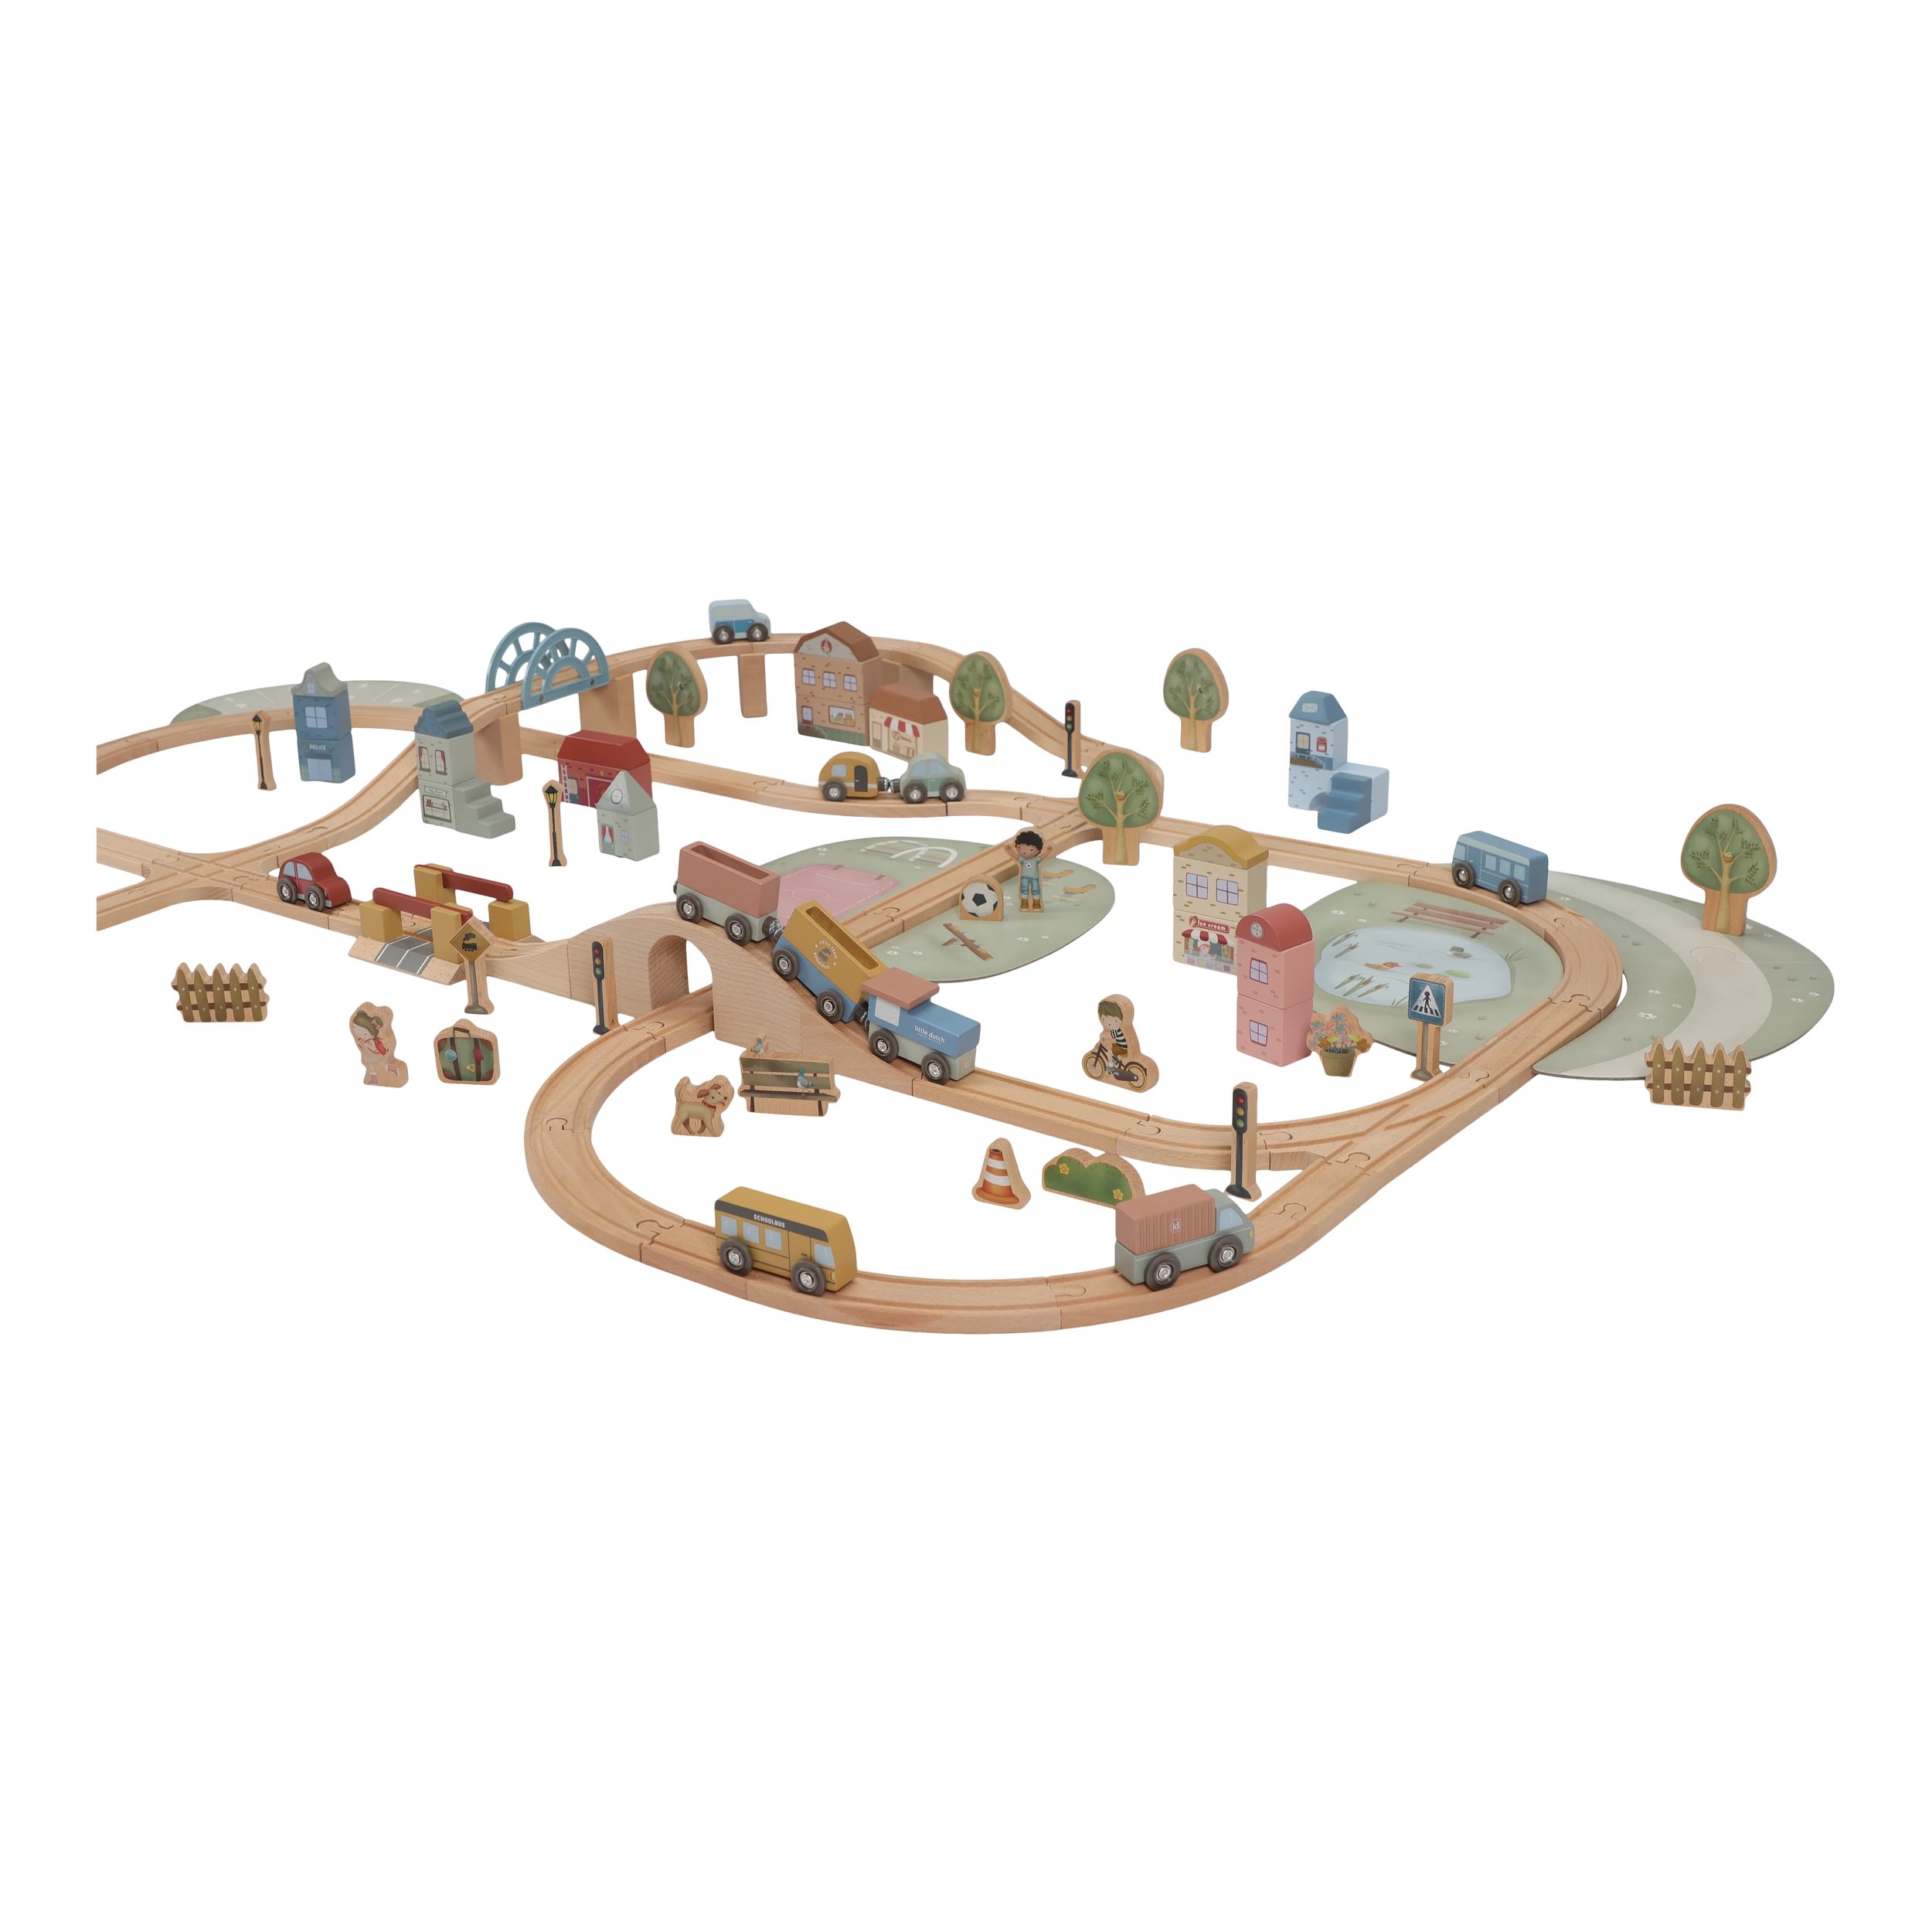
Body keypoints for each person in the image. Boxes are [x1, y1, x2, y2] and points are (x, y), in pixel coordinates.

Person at [1015, 827, 1045, 912]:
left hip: (1035, 878)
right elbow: (1015, 856)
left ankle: (1037, 903)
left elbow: (1043, 857)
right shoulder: (1022, 860)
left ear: (1038, 851)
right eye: (1020, 848)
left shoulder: (1036, 860)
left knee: (1036, 889)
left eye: (1031, 849)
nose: (1024, 852)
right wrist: (1008, 850)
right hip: (1024, 877)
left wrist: (1050, 850)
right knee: (1024, 889)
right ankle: (1024, 903)